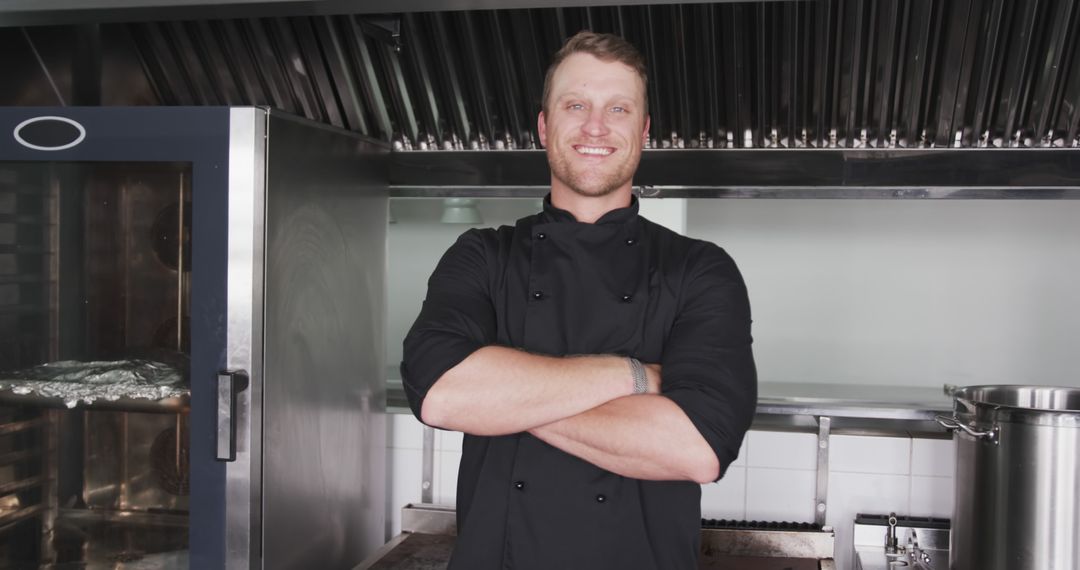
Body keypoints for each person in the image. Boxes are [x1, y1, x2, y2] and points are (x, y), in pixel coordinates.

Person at [401, 31, 757, 570]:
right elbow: (440, 394)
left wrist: (504, 401)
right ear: (544, 126)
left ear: (643, 131)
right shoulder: (482, 255)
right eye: (575, 105)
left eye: (618, 108)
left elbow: (698, 449)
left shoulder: (700, 269)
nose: (596, 126)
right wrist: (637, 377)